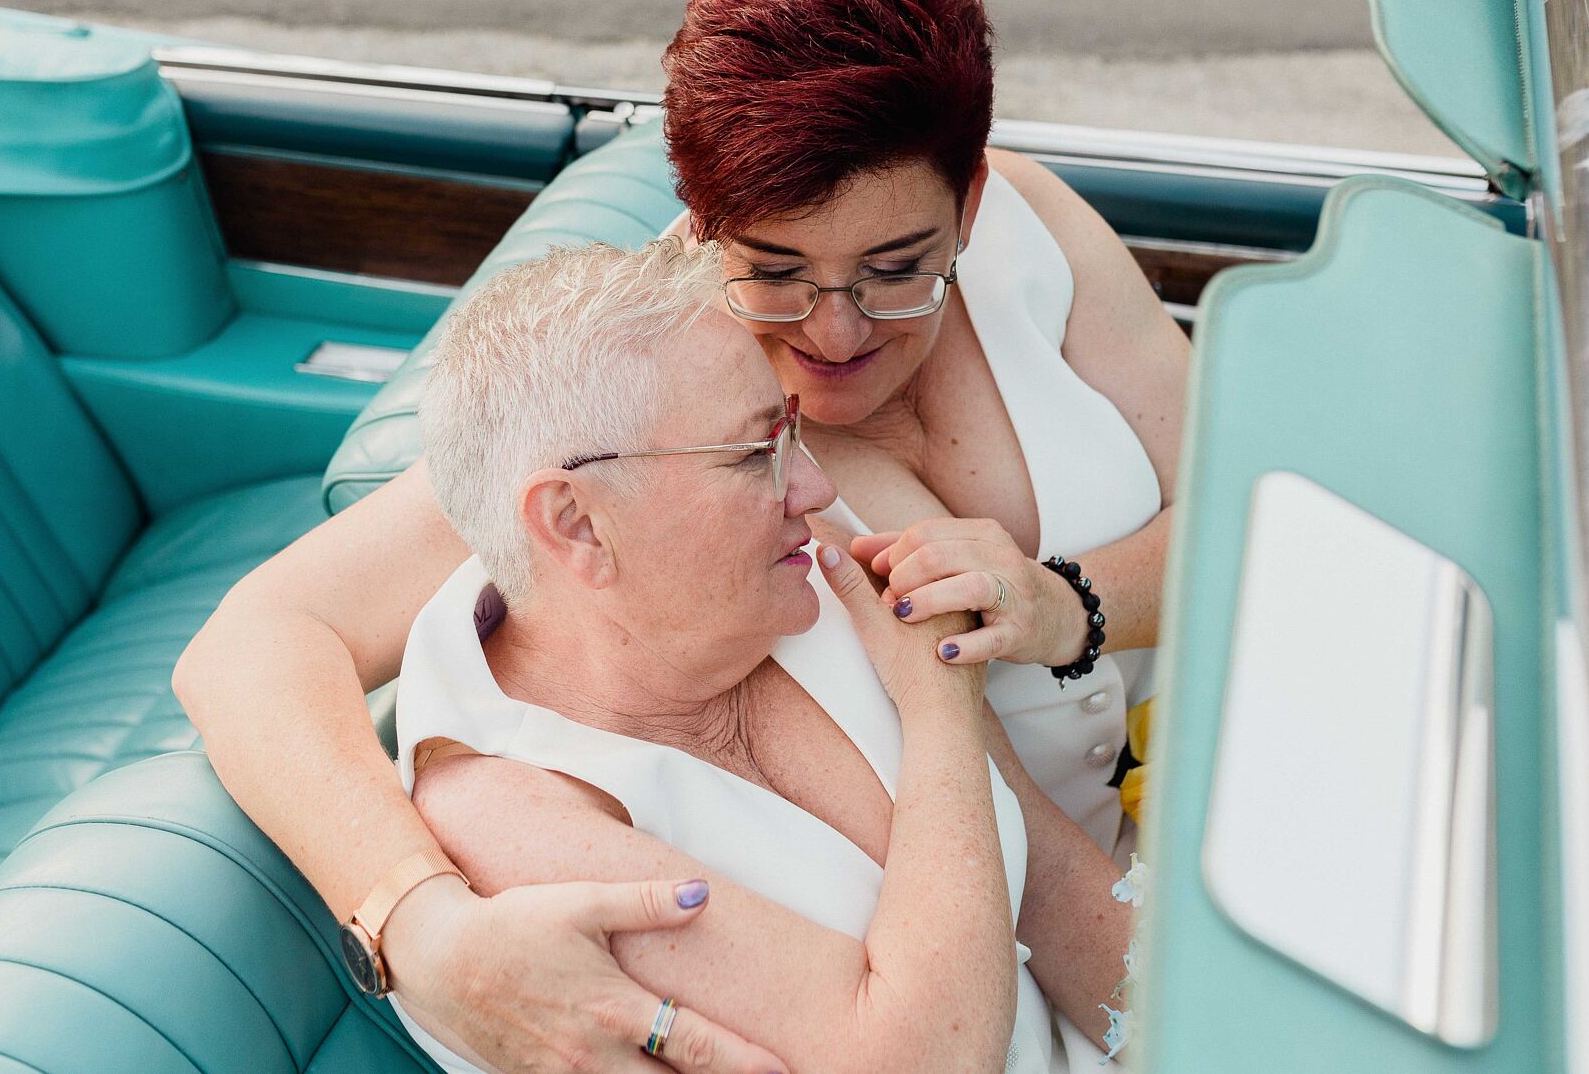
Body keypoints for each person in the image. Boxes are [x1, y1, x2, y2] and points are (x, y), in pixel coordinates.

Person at [175, 0, 1186, 1072]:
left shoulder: (1027, 228)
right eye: (776, 270)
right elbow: (253, 644)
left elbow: (1240, 521)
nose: (834, 331)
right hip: (1040, 903)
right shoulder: (644, 413)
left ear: (969, 202)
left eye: (897, 267)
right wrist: (417, 923)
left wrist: (1065, 604)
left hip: (1173, 781)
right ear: (701, 225)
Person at [396, 239, 1131, 1073]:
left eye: (789, 431)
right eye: (755, 454)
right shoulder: (511, 821)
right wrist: (941, 709)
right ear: (576, 522)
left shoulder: (800, 570)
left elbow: (1053, 890)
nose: (816, 488)